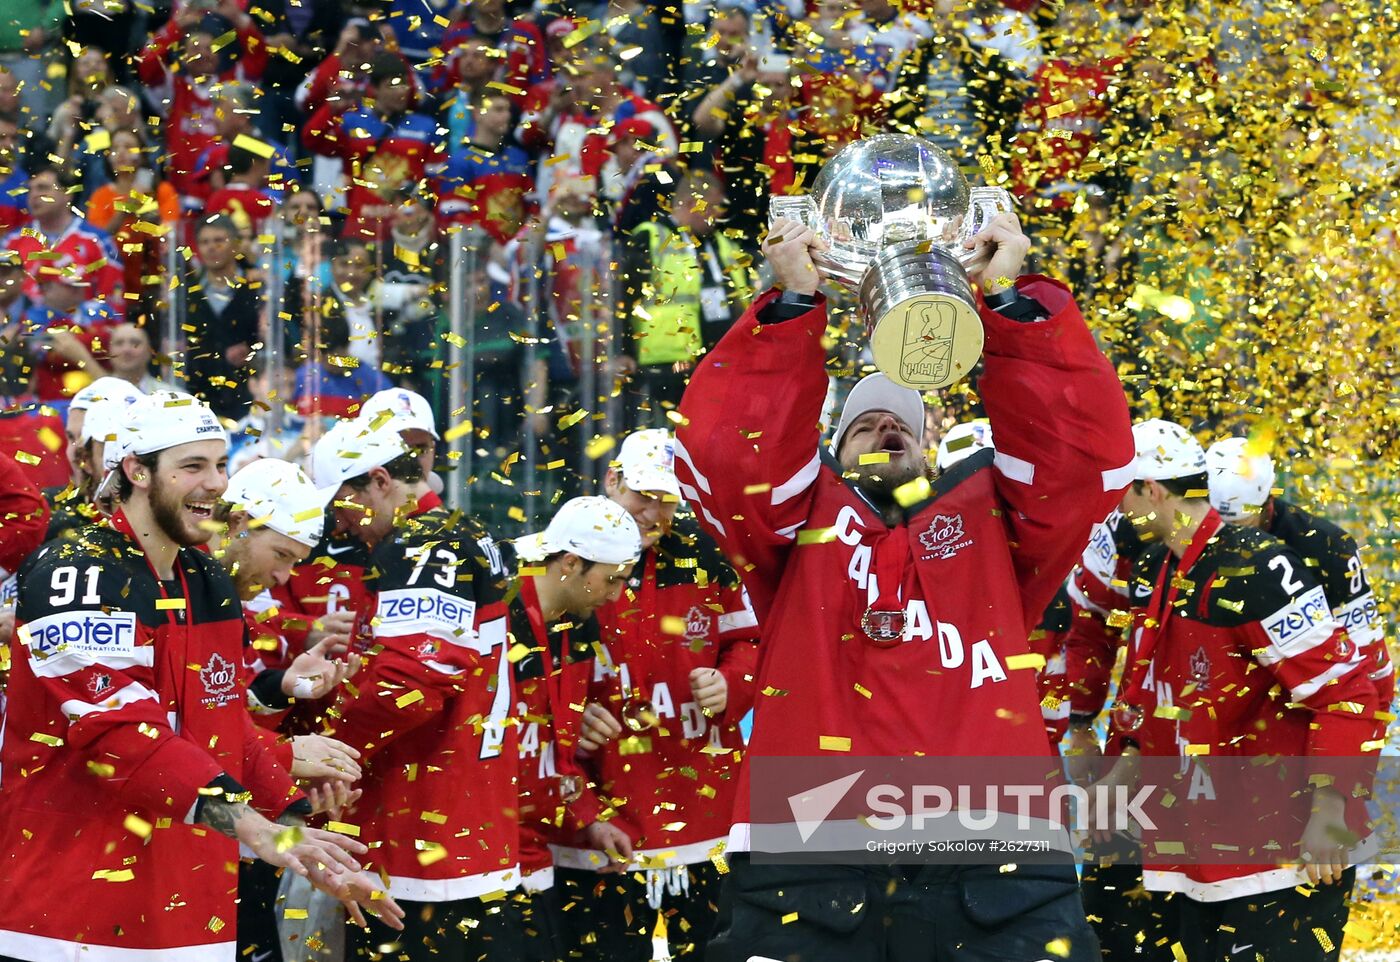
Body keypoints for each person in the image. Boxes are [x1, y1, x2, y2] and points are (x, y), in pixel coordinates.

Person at [674, 211, 1134, 961]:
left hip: (995, 848)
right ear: (829, 452)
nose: (886, 430)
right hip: (813, 848)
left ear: (928, 446)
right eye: (864, 427)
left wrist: (1011, 297)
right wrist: (792, 305)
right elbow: (728, 459)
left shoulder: (997, 518)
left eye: (901, 426)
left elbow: (1083, 460)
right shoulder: (790, 530)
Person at [0, 390, 401, 961]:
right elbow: (123, 737)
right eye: (192, 465)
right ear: (137, 471)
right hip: (72, 919)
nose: (216, 482)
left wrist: (298, 841)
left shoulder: (206, 581)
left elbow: (218, 732)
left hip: (191, 917)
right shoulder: (78, 570)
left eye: (219, 464)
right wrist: (258, 830)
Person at [1090, 419, 1380, 962]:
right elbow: (1159, 692)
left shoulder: (1257, 567)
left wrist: (1330, 812)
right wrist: (1120, 775)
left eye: (1117, 499)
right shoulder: (1157, 565)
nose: (1111, 516)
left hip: (1278, 854)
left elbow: (1347, 693)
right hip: (1198, 842)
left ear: (1152, 490)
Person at [310, 416, 524, 960]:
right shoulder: (469, 531)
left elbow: (409, 685)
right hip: (472, 822)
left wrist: (328, 750)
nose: (341, 527)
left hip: (419, 838)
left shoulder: (423, 546)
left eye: (342, 507)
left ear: (380, 481)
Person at [560, 429, 759, 962]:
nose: (653, 512)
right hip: (598, 819)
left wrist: (733, 683)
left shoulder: (707, 551)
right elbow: (526, 675)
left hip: (702, 814)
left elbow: (752, 642)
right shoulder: (567, 556)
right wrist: (567, 715)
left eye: (666, 499)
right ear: (611, 480)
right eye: (642, 494)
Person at [216, 456, 367, 962]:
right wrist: (286, 759)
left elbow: (226, 705)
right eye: (280, 554)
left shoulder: (222, 594)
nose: (283, 576)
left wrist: (283, 686)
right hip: (192, 837)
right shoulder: (182, 590)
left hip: (237, 824)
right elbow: (180, 729)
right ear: (236, 522)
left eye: (295, 562)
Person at [506, 496, 643, 959]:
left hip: (534, 856)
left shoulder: (578, 625)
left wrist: (591, 817)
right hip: (484, 864)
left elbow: (551, 755)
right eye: (612, 578)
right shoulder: (496, 616)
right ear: (569, 563)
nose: (618, 594)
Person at [618, 168, 755, 425]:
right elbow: (625, 298)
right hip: (667, 361)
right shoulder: (651, 236)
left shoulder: (721, 244)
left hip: (720, 359)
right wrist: (623, 349)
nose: (717, 216)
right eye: (712, 208)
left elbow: (741, 298)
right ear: (693, 203)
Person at [185, 214, 261, 421]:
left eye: (219, 241)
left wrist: (252, 354)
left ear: (235, 245)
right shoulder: (185, 292)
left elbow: (277, 342)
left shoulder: (257, 287)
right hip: (196, 400)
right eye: (204, 242)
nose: (211, 248)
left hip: (248, 400)